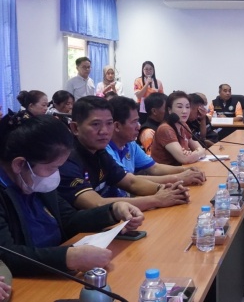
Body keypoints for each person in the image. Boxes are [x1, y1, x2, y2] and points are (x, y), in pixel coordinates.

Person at [0, 112, 143, 276]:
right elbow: (7, 255)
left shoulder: (33, 181)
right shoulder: (11, 189)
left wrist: (113, 210)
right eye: (52, 168)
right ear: (19, 164)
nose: (56, 174)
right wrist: (68, 258)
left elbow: (69, 220)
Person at [58, 96, 191, 212]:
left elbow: (131, 182)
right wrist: (157, 199)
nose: (104, 131)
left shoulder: (99, 152)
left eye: (109, 123)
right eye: (96, 124)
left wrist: (166, 189)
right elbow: (96, 203)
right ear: (75, 128)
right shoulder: (66, 159)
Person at [106, 96, 206, 186]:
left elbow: (154, 168)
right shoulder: (106, 149)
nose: (138, 126)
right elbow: (131, 181)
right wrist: (179, 178)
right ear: (117, 126)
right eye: (134, 122)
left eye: (188, 107)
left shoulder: (130, 144)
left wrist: (186, 169)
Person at [151, 91, 207, 165]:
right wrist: (197, 153)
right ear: (169, 110)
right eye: (180, 107)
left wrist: (193, 153)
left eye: (187, 107)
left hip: (182, 168)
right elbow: (184, 159)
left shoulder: (184, 125)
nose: (185, 111)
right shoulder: (165, 129)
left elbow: (201, 149)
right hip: (167, 171)